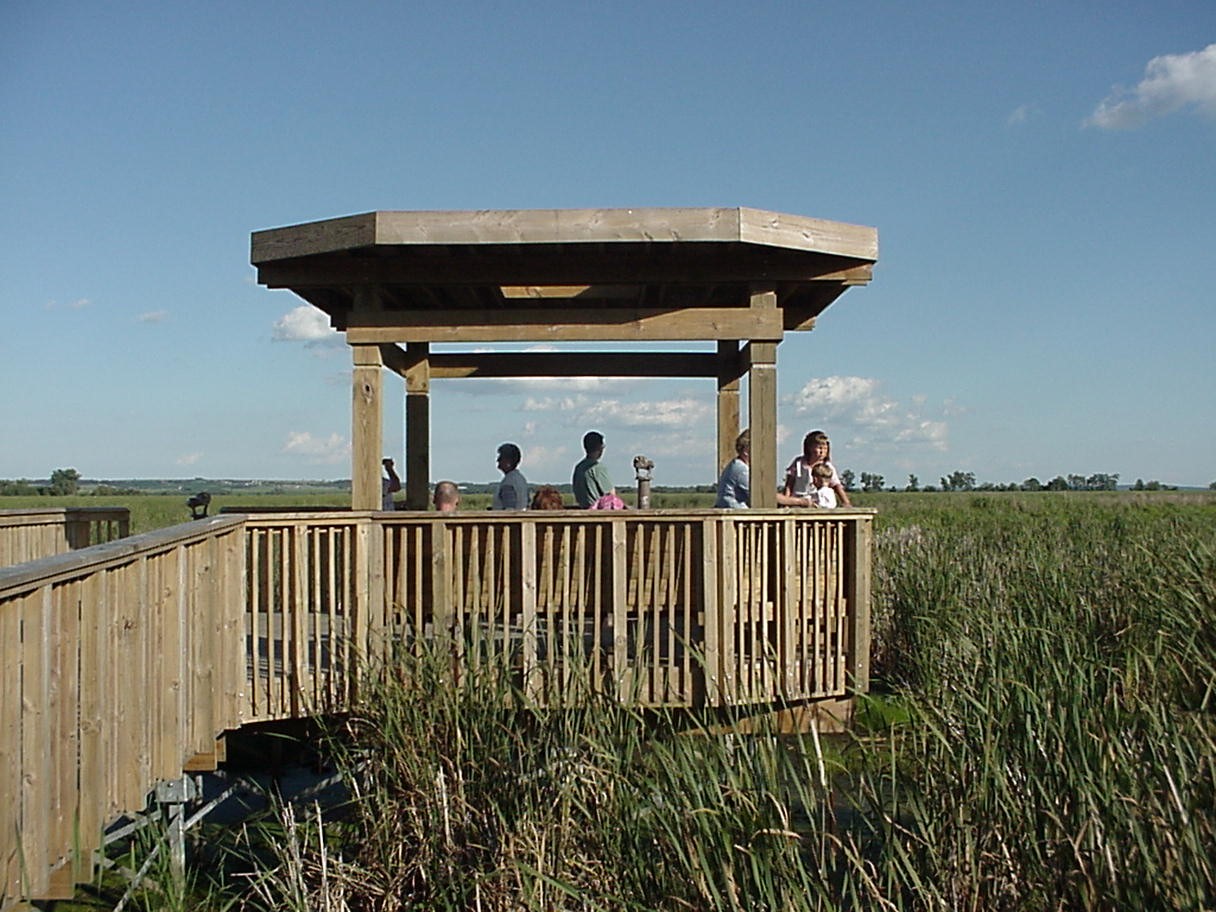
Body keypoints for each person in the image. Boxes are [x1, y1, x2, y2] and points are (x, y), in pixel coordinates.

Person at [783, 430, 852, 507]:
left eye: (825, 448)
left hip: (817, 502)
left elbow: (836, 485)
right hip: (798, 501)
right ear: (809, 448)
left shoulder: (827, 466)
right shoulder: (799, 463)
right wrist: (786, 502)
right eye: (819, 448)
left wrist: (846, 502)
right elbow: (789, 484)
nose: (822, 451)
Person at [572, 431, 615, 508]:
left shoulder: (579, 467)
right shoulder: (597, 467)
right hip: (599, 514)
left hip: (583, 512)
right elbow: (611, 495)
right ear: (600, 447)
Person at [714, 429, 751, 509]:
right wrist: (784, 499)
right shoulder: (741, 469)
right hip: (736, 515)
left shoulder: (735, 465)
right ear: (746, 451)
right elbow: (759, 495)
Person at [492, 443, 528, 510]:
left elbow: (509, 510)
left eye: (501, 457)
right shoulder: (520, 478)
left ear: (508, 462)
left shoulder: (508, 482)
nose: (498, 460)